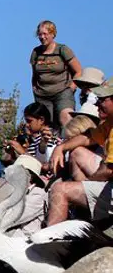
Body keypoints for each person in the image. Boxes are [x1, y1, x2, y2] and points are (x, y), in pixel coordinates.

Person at [47, 81, 113, 225]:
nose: (97, 104)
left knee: (60, 189)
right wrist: (60, 148)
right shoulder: (110, 124)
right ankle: (84, 220)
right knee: (77, 153)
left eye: (102, 99)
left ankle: (49, 243)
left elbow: (108, 171)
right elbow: (87, 138)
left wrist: (85, 184)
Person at [30, 20, 83, 128]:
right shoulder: (36, 52)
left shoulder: (62, 50)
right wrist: (35, 88)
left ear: (52, 34)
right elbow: (34, 74)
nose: (42, 37)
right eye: (40, 34)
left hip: (62, 92)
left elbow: (79, 71)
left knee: (65, 117)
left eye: (45, 34)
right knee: (46, 126)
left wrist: (71, 88)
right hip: (43, 95)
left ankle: (71, 141)